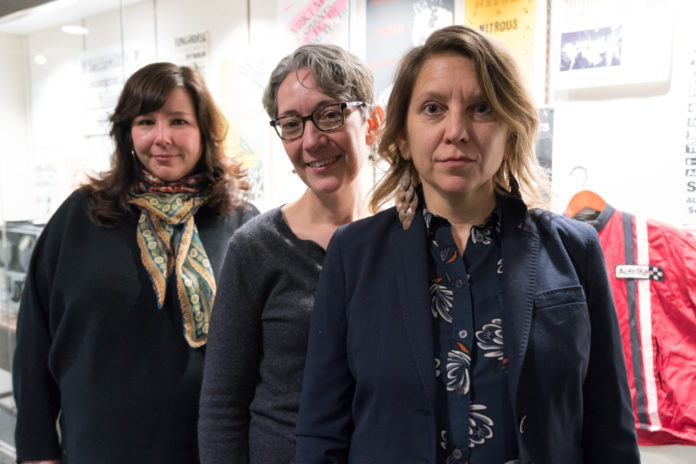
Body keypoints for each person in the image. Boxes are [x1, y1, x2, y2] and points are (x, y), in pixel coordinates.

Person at [292, 25, 640, 464]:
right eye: (433, 108)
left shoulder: (575, 249)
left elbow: (609, 428)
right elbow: (321, 431)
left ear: (511, 131)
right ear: (402, 135)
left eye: (481, 108)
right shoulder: (354, 254)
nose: (456, 130)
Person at [12, 62, 257, 464]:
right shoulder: (79, 217)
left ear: (204, 132)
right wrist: (37, 451)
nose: (162, 138)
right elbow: (34, 344)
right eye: (146, 121)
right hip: (98, 449)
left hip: (208, 452)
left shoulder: (242, 224)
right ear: (127, 132)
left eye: (179, 121)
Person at [198, 44, 383, 464]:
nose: (312, 141)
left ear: (372, 123)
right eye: (292, 124)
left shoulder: (404, 239)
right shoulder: (255, 247)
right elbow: (222, 404)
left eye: (330, 114)